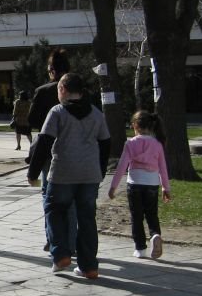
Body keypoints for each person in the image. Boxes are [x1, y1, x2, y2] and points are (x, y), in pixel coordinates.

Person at [28, 72, 111, 280]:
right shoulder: (95, 113)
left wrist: (33, 172)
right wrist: (100, 171)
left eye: (58, 90)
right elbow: (106, 143)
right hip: (89, 174)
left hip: (63, 172)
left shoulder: (57, 112)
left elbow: (44, 142)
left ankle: (61, 255)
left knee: (53, 210)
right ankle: (89, 266)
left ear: (63, 90)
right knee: (86, 218)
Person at [108, 110, 171, 259]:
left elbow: (122, 166)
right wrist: (165, 188)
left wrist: (113, 187)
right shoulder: (158, 144)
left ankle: (140, 248)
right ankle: (155, 234)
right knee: (152, 214)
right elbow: (163, 168)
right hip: (152, 184)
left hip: (135, 184)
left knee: (136, 217)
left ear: (135, 125)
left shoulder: (130, 143)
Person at [28, 48, 73, 251]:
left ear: (52, 70)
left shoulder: (44, 92)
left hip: (49, 149)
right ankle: (71, 240)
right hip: (75, 149)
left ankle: (52, 237)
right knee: (72, 199)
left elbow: (33, 120)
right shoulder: (81, 90)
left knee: (49, 195)